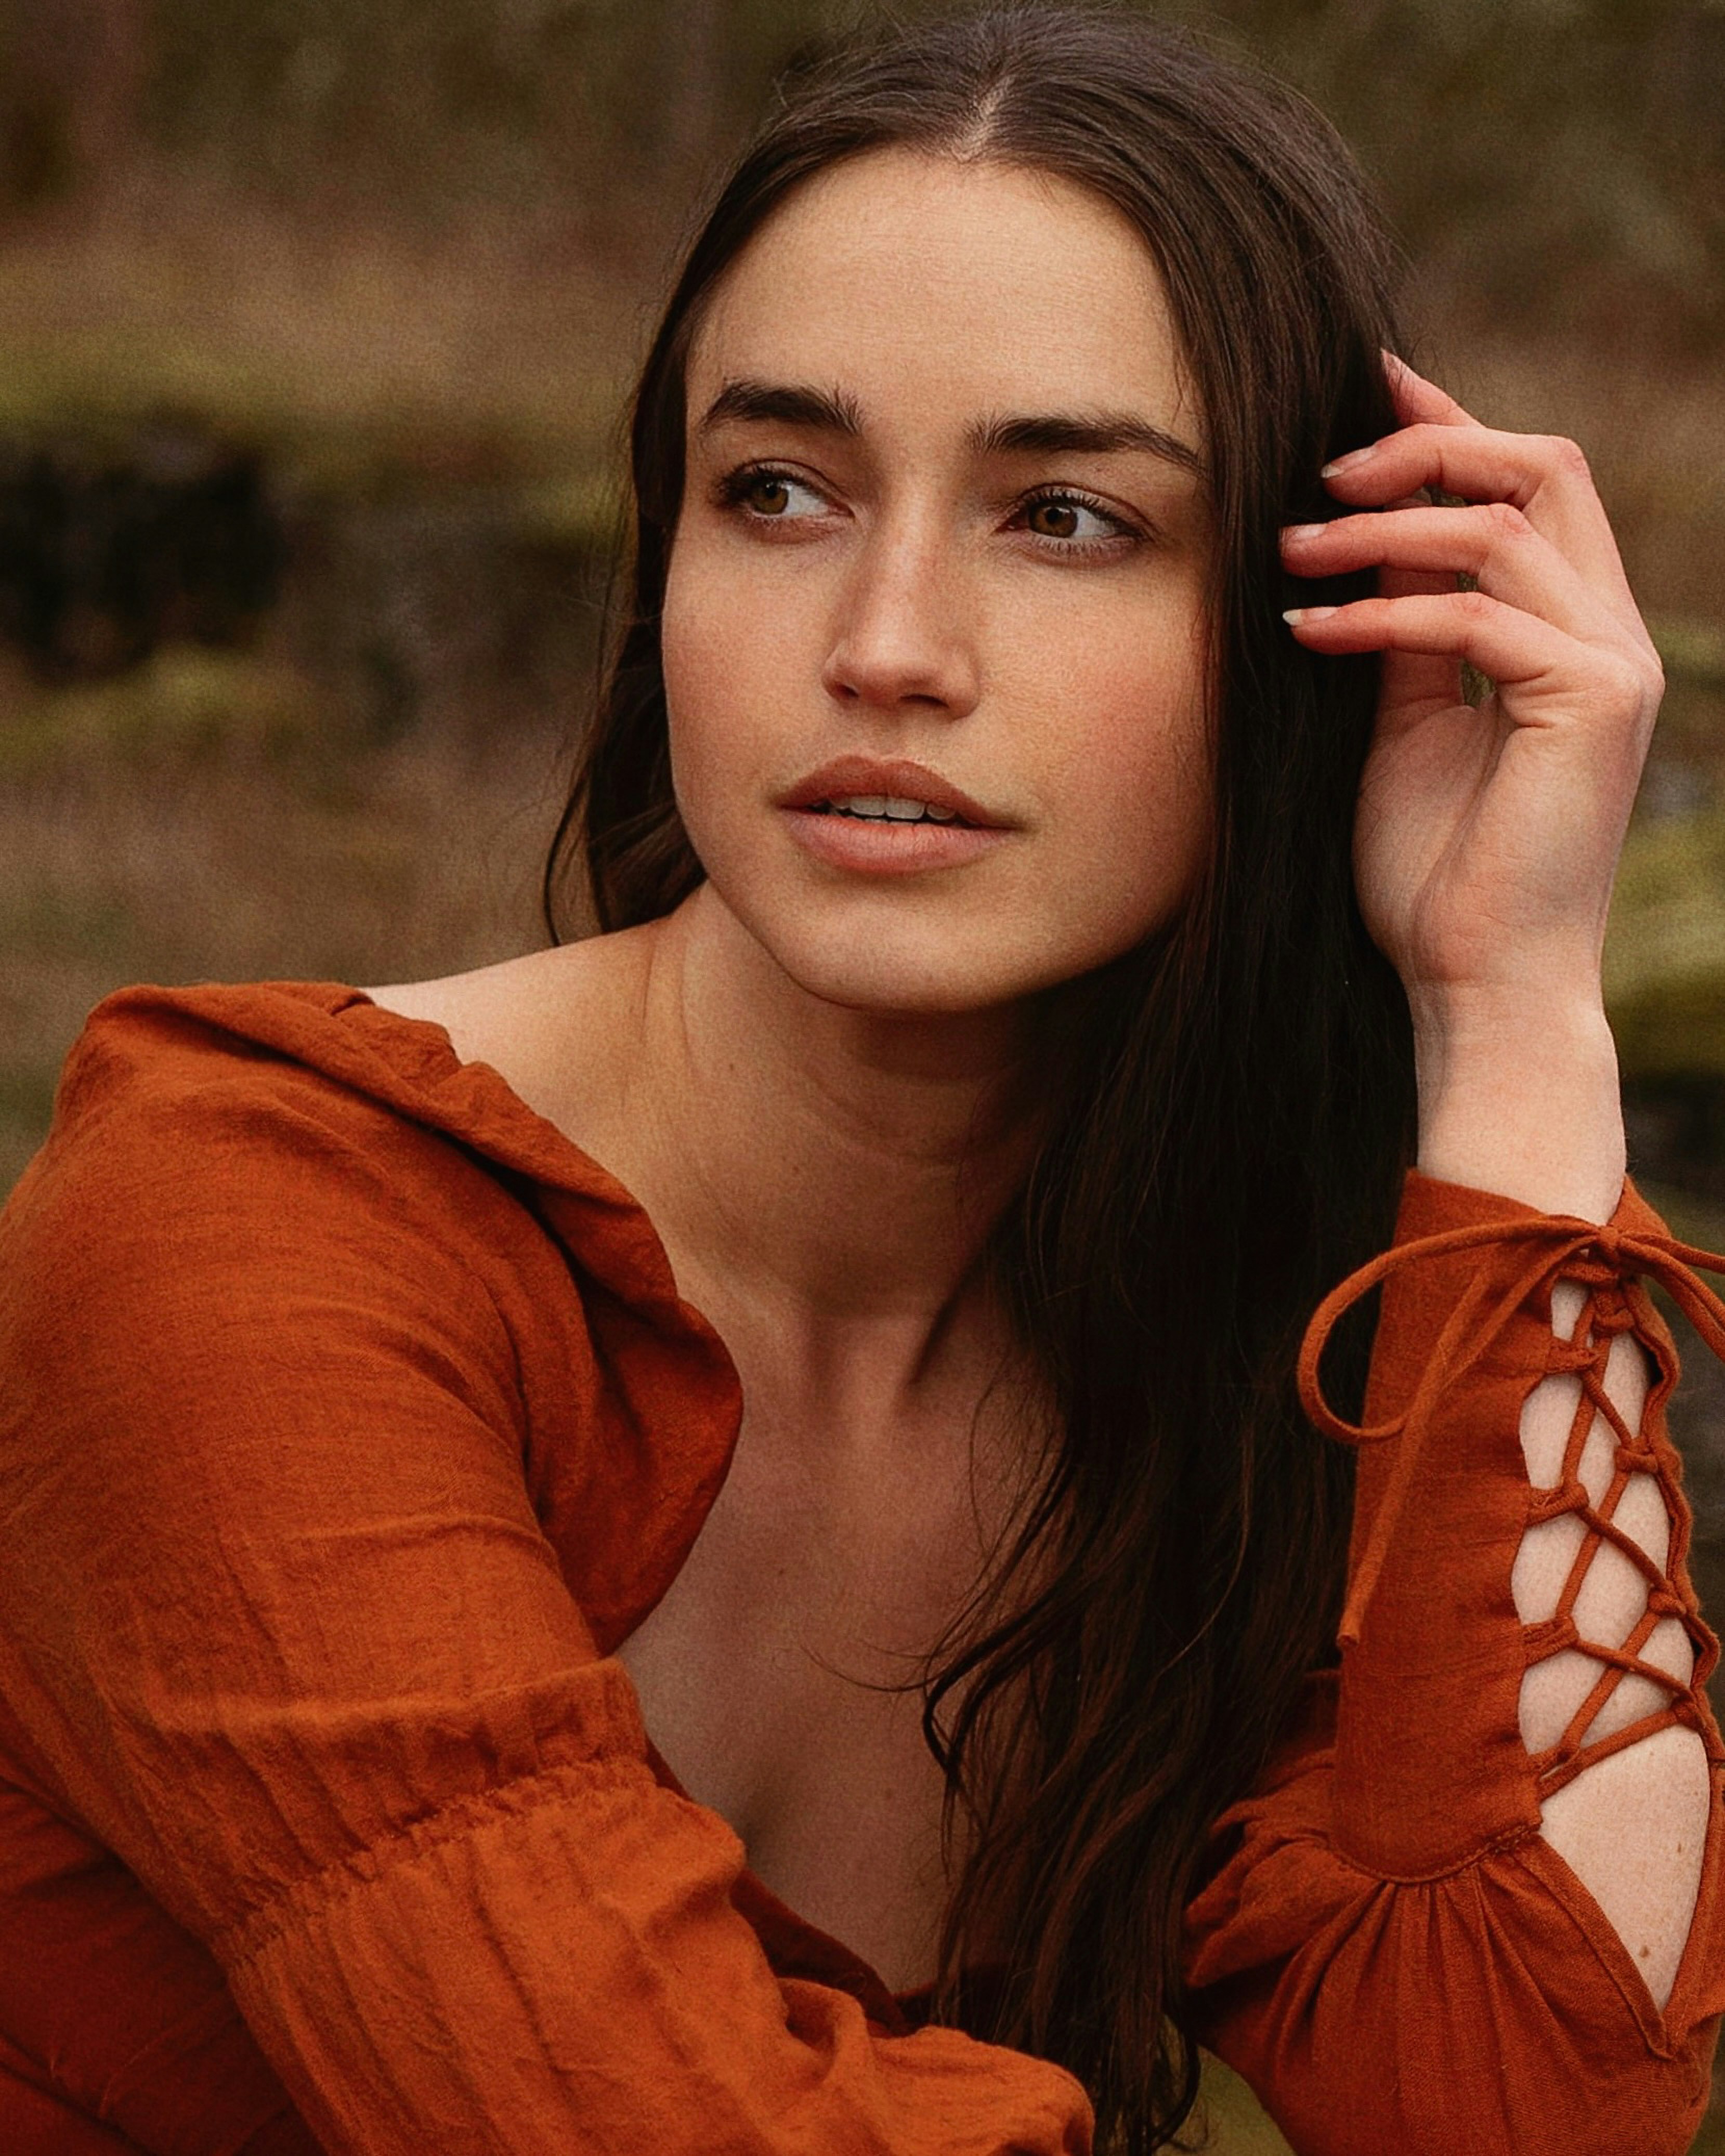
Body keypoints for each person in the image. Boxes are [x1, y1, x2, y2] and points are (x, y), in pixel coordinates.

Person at [0, 6, 1720, 2152]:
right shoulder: (249, 1228)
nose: (886, 637)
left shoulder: (1227, 1334)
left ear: (1324, 627)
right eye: (780, 490)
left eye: (1067, 514)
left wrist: (1515, 1007)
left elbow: (1527, 2098)